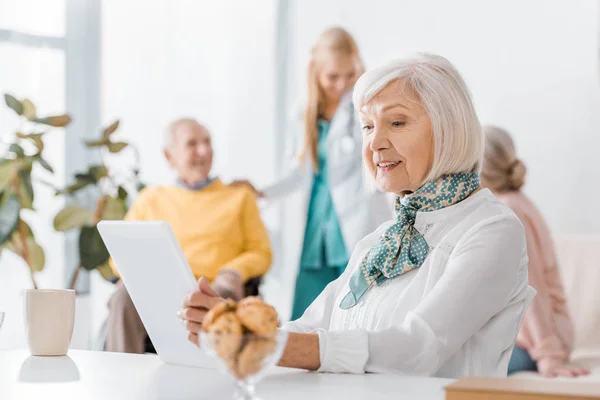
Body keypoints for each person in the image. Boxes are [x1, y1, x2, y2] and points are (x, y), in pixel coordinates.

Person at [180, 54, 535, 378]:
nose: (375, 143)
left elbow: (417, 349)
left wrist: (263, 343)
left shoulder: (492, 229)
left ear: (448, 128)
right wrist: (232, 328)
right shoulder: (380, 239)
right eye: (367, 126)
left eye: (396, 122)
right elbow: (312, 328)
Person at [236, 27, 390, 321]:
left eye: (349, 75)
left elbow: (375, 160)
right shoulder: (303, 112)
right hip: (314, 224)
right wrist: (261, 192)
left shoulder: (365, 107)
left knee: (355, 305)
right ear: (316, 71)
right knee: (307, 311)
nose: (342, 84)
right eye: (333, 76)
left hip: (355, 215)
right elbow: (299, 173)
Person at [106, 118, 272, 353]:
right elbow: (120, 254)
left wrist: (233, 272)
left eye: (207, 142)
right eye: (192, 144)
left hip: (214, 287)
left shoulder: (239, 197)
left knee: (218, 298)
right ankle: (120, 379)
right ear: (169, 156)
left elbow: (261, 251)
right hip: (159, 290)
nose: (203, 151)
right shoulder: (150, 199)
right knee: (123, 296)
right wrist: (136, 275)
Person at [481, 125, 589, 378]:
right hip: (528, 339)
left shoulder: (511, 211)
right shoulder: (509, 203)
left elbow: (531, 287)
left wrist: (548, 356)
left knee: (458, 366)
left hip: (537, 343)